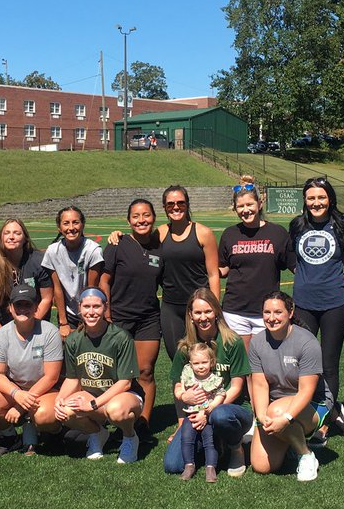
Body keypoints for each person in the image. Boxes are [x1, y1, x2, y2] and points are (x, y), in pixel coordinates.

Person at [288, 177, 344, 443]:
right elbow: (291, 258)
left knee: (329, 365)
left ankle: (325, 423)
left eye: (321, 197)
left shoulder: (341, 225)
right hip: (303, 304)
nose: (316, 203)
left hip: (334, 304)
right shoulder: (297, 226)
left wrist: (338, 261)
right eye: (311, 198)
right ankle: (305, 413)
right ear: (305, 201)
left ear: (330, 199)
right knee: (302, 364)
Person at [163, 287, 253, 477]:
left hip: (231, 410)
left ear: (216, 312)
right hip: (197, 413)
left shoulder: (232, 342)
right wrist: (183, 395)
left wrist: (209, 410)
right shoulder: (185, 347)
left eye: (207, 311)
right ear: (191, 315)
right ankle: (214, 442)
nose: (203, 317)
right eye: (198, 312)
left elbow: (237, 386)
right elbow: (177, 384)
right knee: (173, 465)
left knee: (219, 416)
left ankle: (235, 448)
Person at [56, 289, 142, 464]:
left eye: (96, 306)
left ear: (105, 308)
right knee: (65, 410)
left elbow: (125, 383)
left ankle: (130, 437)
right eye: (86, 307)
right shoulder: (74, 340)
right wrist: (60, 398)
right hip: (91, 396)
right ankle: (96, 433)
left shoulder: (120, 337)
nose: (91, 312)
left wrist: (93, 404)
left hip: (124, 397)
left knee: (116, 411)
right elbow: (72, 379)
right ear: (79, 308)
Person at [101, 198, 163, 441]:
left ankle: (143, 424)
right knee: (118, 374)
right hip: (119, 317)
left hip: (148, 317)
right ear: (128, 221)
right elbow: (104, 280)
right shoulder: (118, 244)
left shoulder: (160, 247)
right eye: (136, 216)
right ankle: (117, 421)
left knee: (145, 371)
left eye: (146, 215)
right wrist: (107, 312)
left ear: (153, 217)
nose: (141, 220)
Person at [247, 291, 325, 482]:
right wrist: (262, 417)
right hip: (275, 407)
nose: (271, 318)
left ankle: (306, 454)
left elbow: (307, 390)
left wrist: (286, 418)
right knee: (261, 466)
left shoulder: (307, 342)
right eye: (267, 312)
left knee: (277, 412)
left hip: (312, 404)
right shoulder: (257, 342)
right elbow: (260, 384)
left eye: (277, 312)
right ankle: (289, 440)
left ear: (290, 313)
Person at [0, 283, 64, 456]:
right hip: (16, 389)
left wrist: (20, 406)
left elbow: (51, 377)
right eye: (18, 305)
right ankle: (11, 436)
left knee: (43, 415)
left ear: (36, 308)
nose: (23, 309)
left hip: (45, 390)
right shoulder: (2, 334)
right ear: (10, 308)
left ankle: (52, 433)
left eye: (28, 305)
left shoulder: (50, 332)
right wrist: (16, 394)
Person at [218, 176, 293, 349]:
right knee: (243, 367)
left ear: (259, 204)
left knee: (266, 366)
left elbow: (294, 265)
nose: (246, 210)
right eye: (240, 206)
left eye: (249, 204)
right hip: (235, 311)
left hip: (267, 312)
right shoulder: (230, 234)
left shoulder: (278, 233)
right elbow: (222, 268)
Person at [151, 186, 220, 360]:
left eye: (180, 203)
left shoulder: (203, 233)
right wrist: (117, 235)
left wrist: (215, 308)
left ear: (187, 205)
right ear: (165, 208)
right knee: (178, 358)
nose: (176, 207)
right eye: (170, 204)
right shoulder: (159, 233)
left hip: (200, 307)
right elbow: (139, 246)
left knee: (203, 358)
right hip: (171, 307)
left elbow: (213, 274)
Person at [43, 206, 104, 339]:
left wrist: (85, 318)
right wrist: (63, 322)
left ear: (82, 225)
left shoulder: (93, 250)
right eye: (66, 223)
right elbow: (57, 288)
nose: (71, 227)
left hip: (89, 309)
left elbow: (91, 288)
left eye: (75, 222)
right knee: (68, 353)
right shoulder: (52, 251)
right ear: (59, 227)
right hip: (66, 312)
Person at [0, 218, 53, 336]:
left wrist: (28, 325)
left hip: (34, 325)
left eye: (17, 233)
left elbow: (47, 298)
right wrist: (1, 333)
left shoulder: (38, 260)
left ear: (25, 239)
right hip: (2, 327)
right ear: (1, 238)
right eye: (7, 233)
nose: (11, 237)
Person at [174, 342, 226, 482]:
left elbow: (221, 394)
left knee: (209, 441)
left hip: (207, 415)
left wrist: (212, 406)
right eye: (196, 363)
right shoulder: (188, 374)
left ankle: (211, 468)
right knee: (186, 439)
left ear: (211, 361)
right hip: (190, 414)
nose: (201, 366)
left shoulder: (214, 379)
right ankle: (189, 466)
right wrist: (183, 394)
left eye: (204, 362)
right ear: (191, 364)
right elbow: (181, 386)